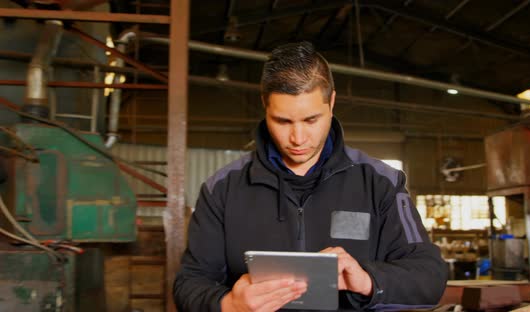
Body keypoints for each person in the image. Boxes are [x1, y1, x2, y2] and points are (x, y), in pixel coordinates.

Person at [174, 41, 447, 312]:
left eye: (311, 120)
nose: (298, 138)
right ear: (264, 106)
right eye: (282, 121)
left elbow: (429, 277)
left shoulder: (381, 183)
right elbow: (189, 282)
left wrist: (367, 280)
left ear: (332, 103)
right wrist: (229, 305)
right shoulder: (222, 189)